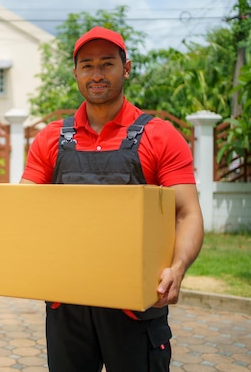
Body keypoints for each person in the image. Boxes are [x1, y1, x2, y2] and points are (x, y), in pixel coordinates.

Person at [20, 26, 204, 372]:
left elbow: (187, 213)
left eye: (107, 63)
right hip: (67, 302)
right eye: (87, 66)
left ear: (127, 67)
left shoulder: (160, 136)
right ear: (75, 73)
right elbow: (25, 211)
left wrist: (177, 269)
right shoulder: (50, 140)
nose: (97, 74)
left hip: (135, 303)